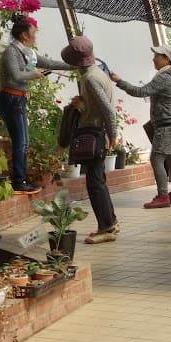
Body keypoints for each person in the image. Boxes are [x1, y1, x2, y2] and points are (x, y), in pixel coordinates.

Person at [0, 15, 73, 192]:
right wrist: (35, 74)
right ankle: (19, 181)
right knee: (21, 141)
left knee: (23, 141)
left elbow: (50, 63)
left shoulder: (27, 53)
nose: (35, 36)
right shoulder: (12, 52)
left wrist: (75, 65)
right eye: (33, 33)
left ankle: (20, 179)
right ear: (24, 35)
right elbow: (16, 75)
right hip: (9, 99)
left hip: (18, 99)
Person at [110, 44, 171, 209]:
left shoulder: (163, 77)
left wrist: (119, 81)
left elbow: (140, 92)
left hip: (167, 126)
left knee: (156, 158)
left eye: (157, 55)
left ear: (167, 59)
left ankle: (163, 196)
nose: (154, 58)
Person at [60, 37, 121, 243]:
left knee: (95, 183)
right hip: (99, 131)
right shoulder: (97, 73)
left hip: (95, 133)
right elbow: (97, 106)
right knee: (98, 181)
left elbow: (108, 110)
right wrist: (82, 104)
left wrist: (112, 134)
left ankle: (107, 228)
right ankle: (110, 222)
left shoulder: (90, 79)